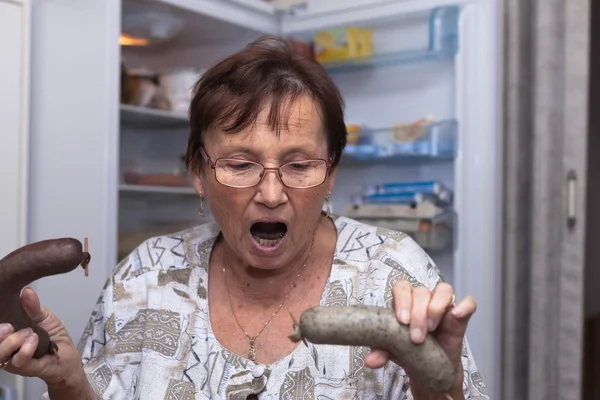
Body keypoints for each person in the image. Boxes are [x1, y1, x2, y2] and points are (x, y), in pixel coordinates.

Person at [0, 36, 489, 399]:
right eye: (239, 165)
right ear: (198, 171)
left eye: (299, 165)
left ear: (332, 172)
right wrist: (67, 383)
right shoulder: (146, 275)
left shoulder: (393, 272)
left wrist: (439, 387)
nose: (272, 193)